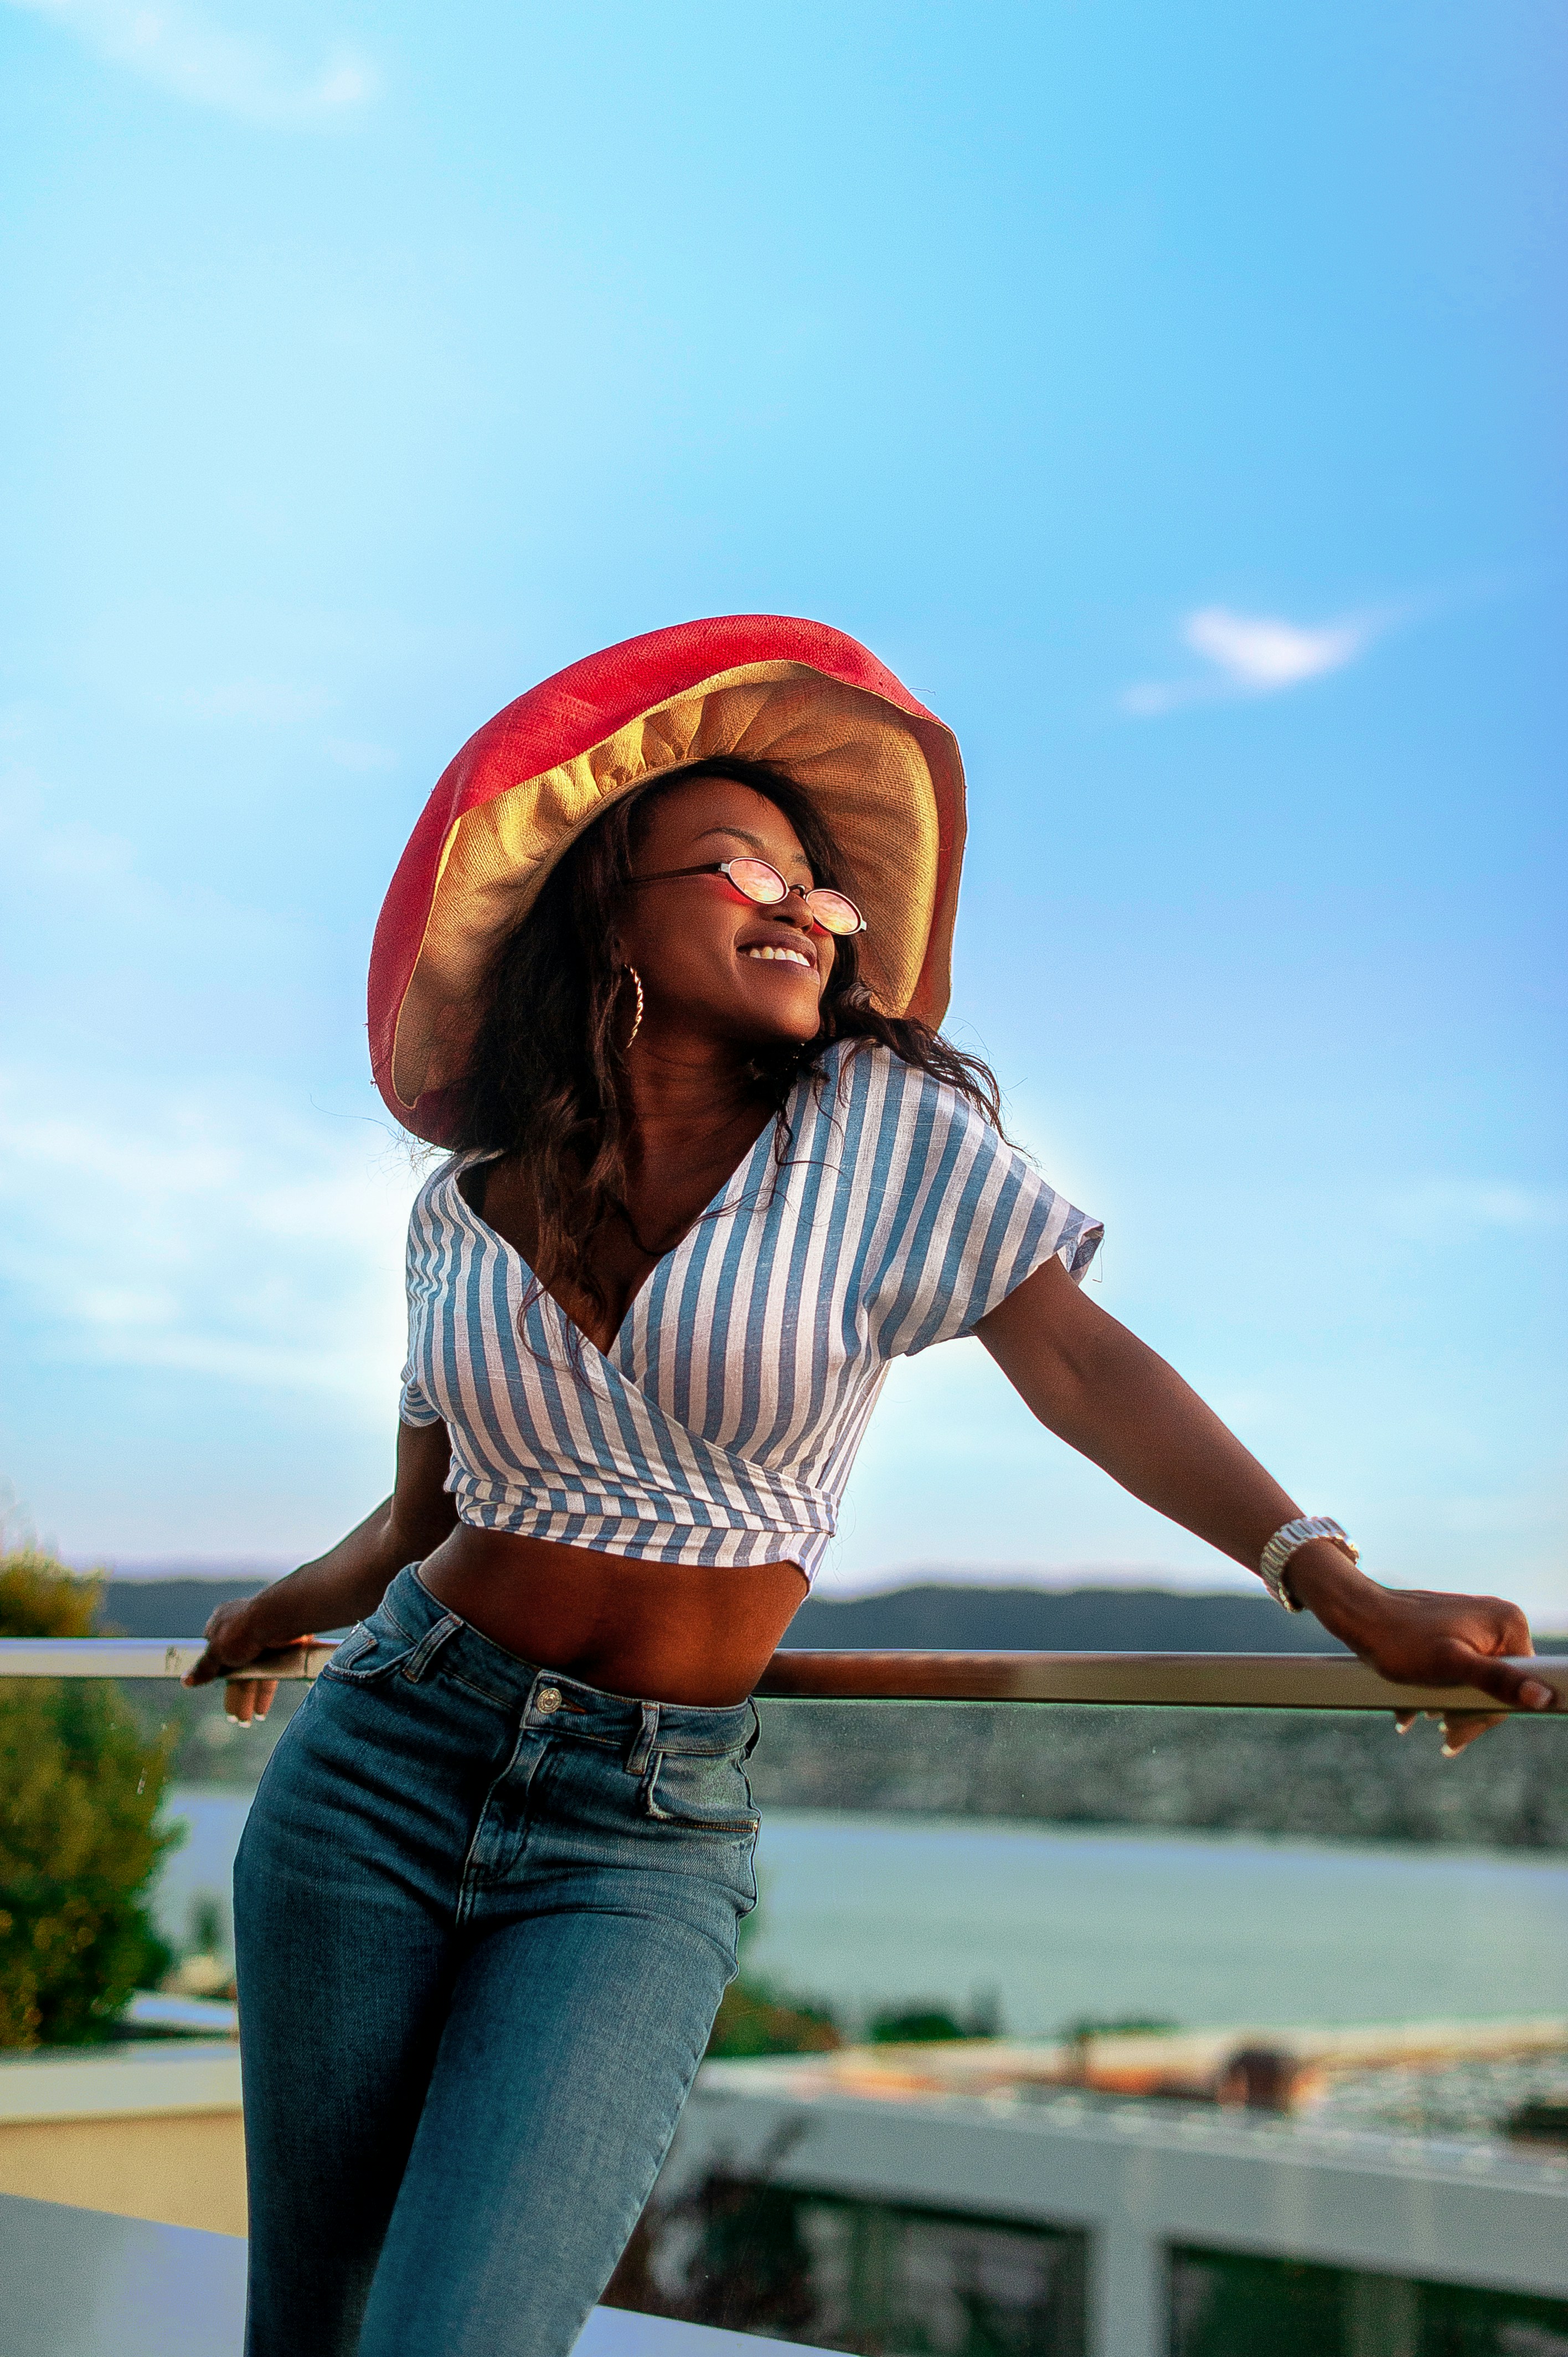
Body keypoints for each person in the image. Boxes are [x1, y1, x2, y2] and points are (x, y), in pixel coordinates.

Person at [187, 615, 1553, 2357]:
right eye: (744, 865)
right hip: (374, 1763)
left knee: (456, 2336)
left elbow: (1083, 1363)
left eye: (825, 890)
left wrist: (1338, 1586)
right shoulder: (458, 1210)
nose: (809, 909)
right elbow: (422, 1526)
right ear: (609, 903)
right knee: (310, 2325)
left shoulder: (880, 1132)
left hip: (631, 1833)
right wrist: (272, 1617)